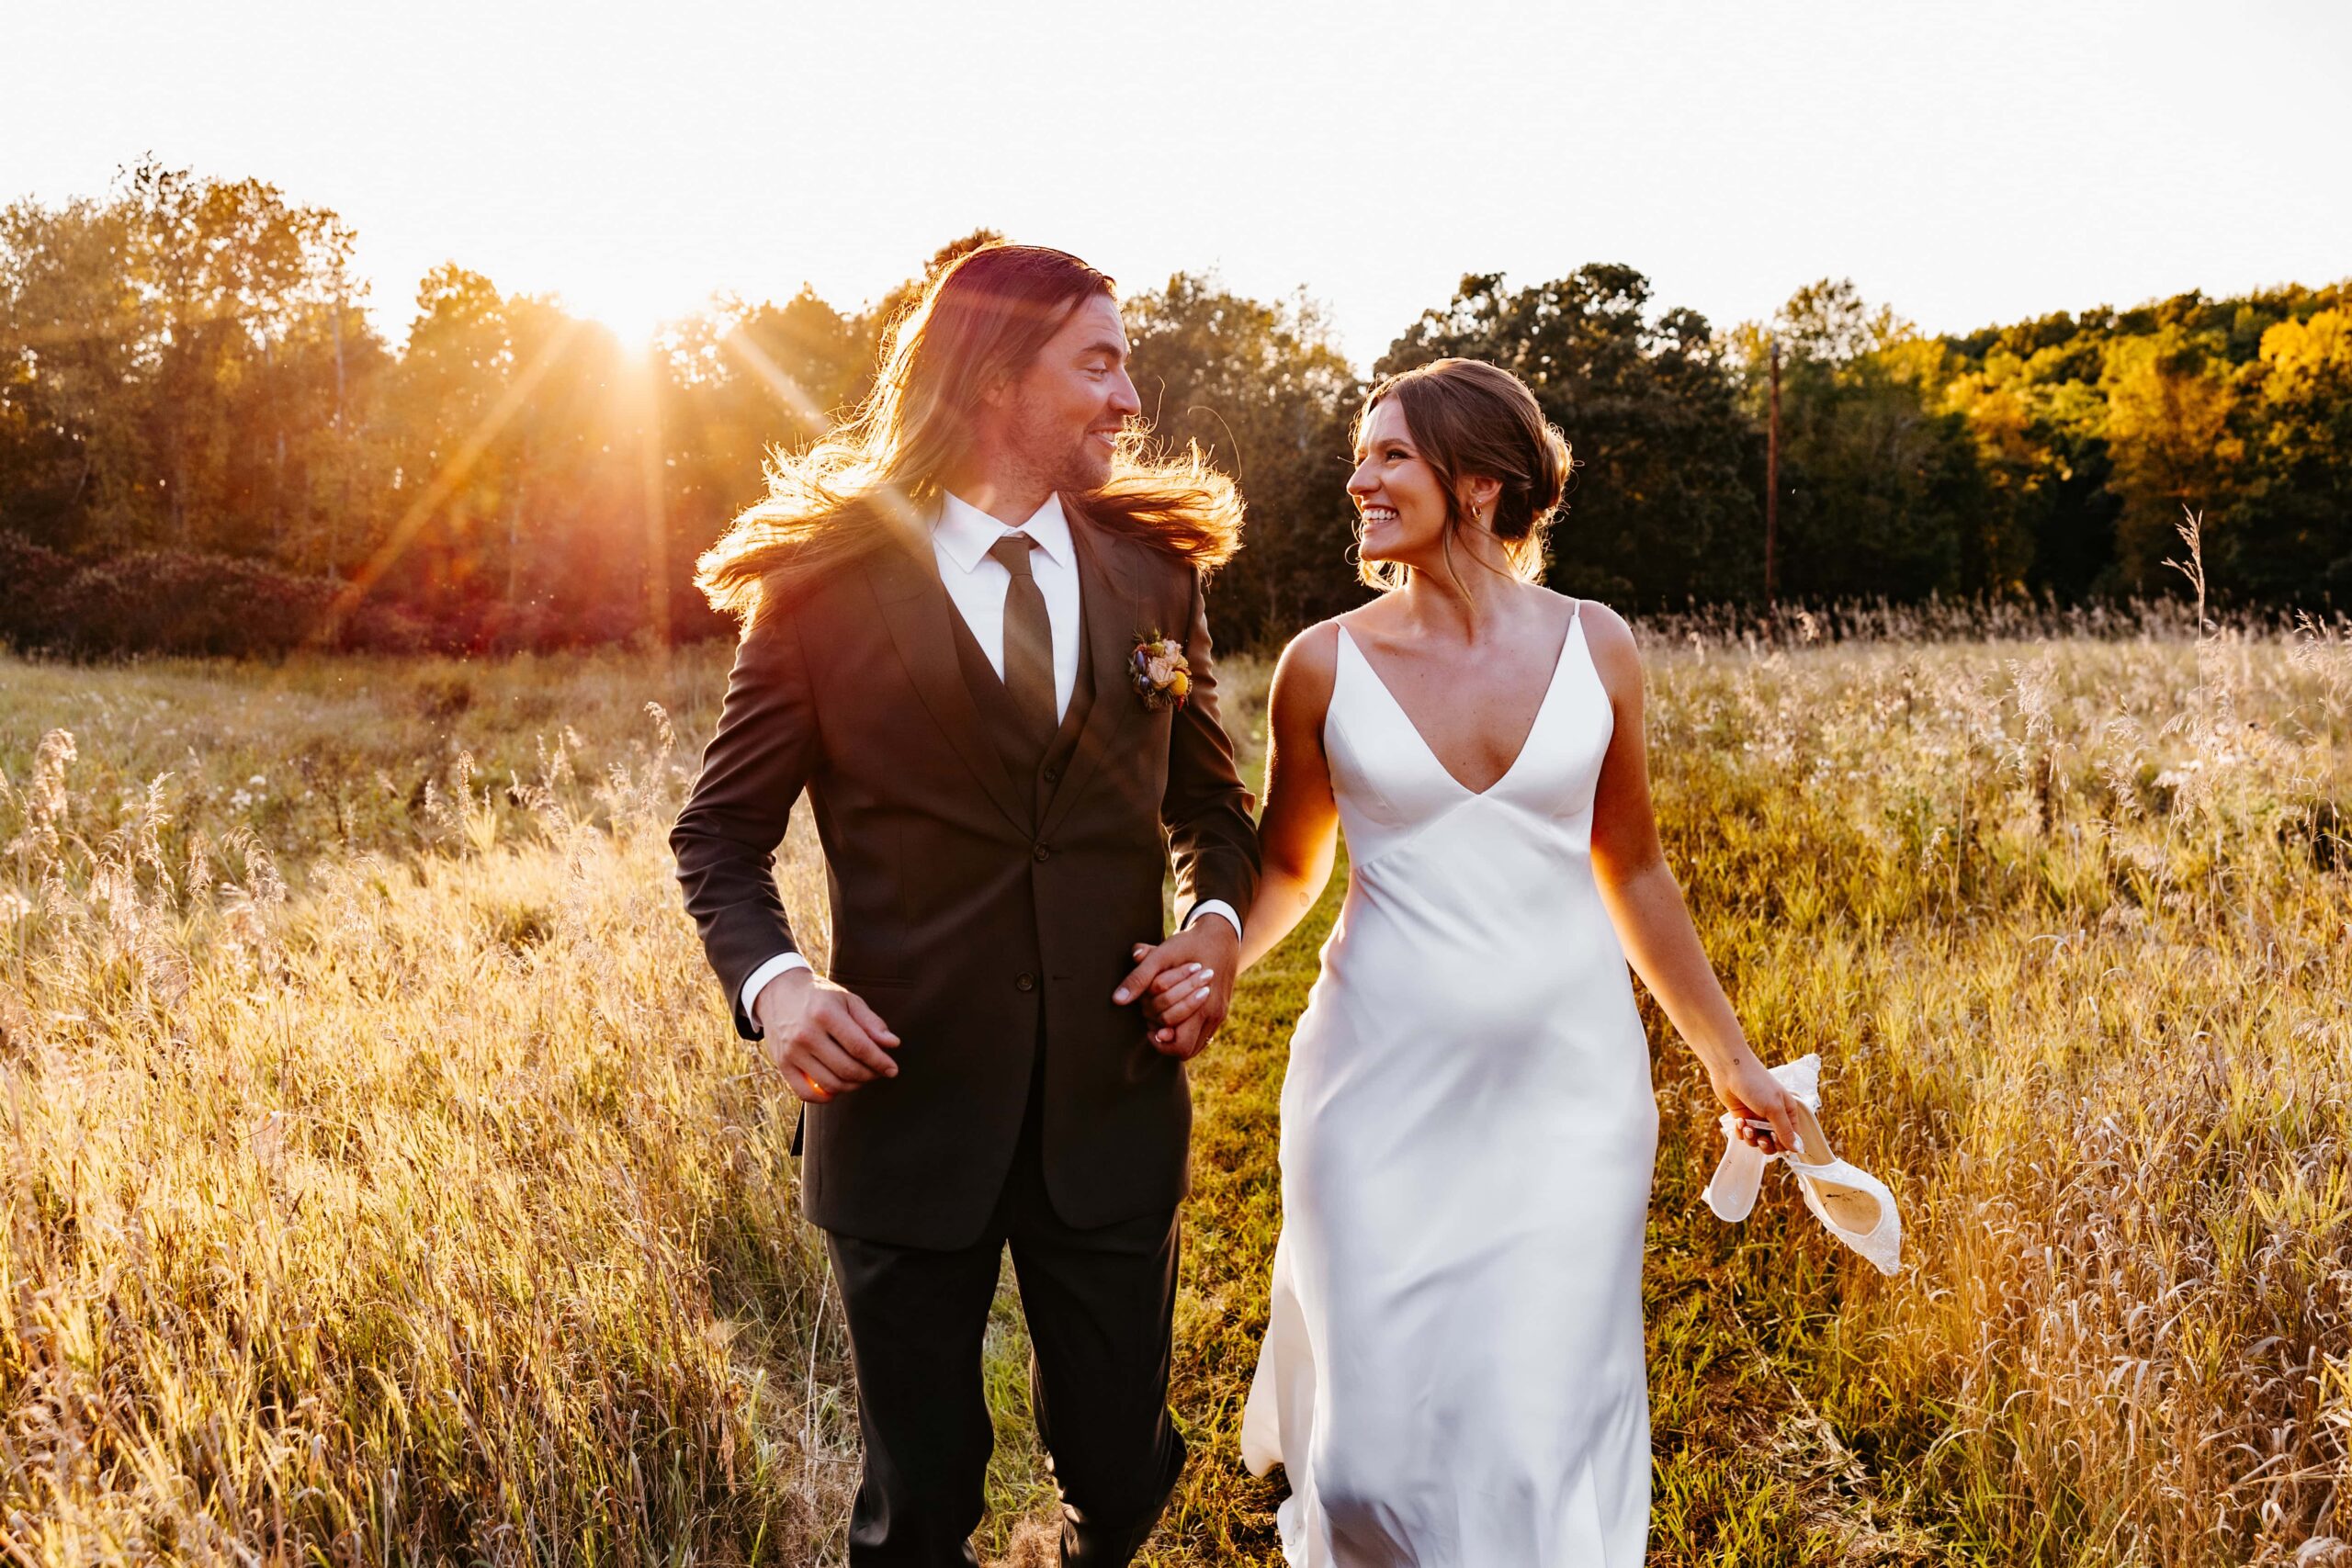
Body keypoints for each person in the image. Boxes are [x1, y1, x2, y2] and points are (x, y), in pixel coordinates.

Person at [670, 243, 1261, 1567]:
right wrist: (780, 990)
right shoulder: (821, 588)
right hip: (904, 1115)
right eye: (1099, 363)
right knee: (921, 1503)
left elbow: (1212, 813)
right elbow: (719, 837)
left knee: (1121, 1468)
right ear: (998, 379)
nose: (1129, 399)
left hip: (1111, 1103)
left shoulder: (1154, 577)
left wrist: (1212, 931)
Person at [1158, 357, 1803, 1562]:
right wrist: (1218, 954)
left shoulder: (1597, 647)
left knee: (1542, 1426)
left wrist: (1731, 1058)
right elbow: (1292, 867)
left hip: (1570, 1096)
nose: (1359, 478)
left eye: (1389, 454)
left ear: (1481, 484)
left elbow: (1636, 870)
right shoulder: (1322, 664)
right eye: (1365, 454)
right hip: (1373, 1091)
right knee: (1366, 1468)